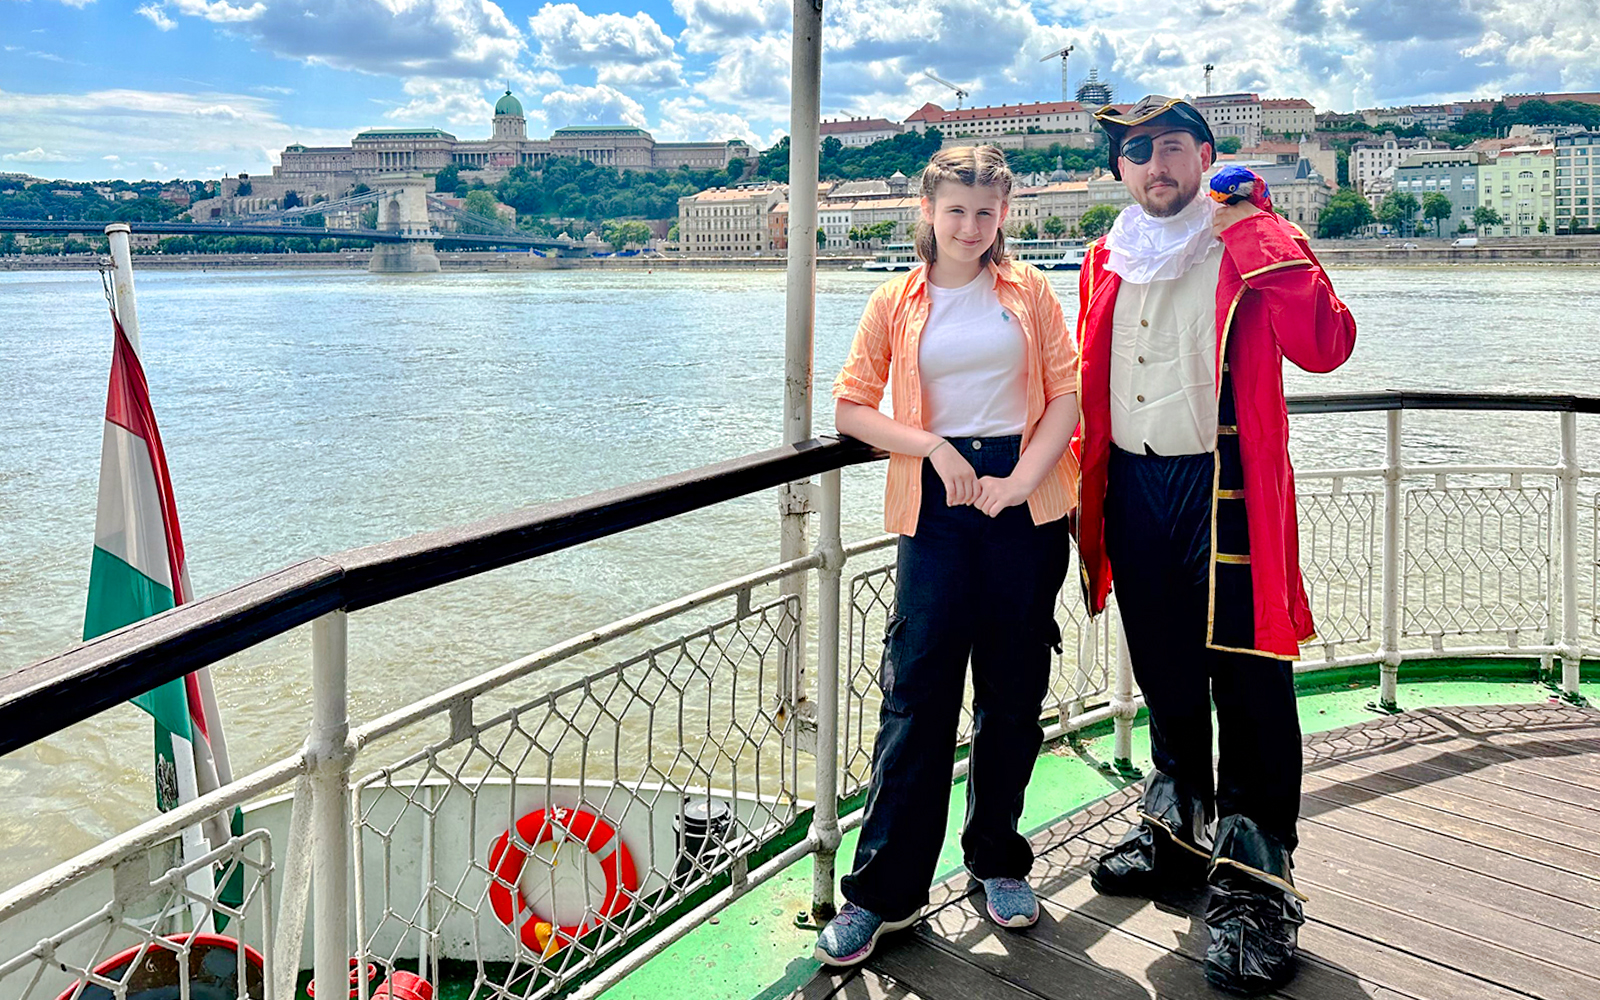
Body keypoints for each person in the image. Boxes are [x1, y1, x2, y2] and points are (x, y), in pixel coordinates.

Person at [1072, 96, 1357, 995]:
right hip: (1133, 486)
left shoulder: (1248, 246)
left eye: (1171, 149)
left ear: (1205, 156)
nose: (1155, 165)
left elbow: (1328, 346)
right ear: (1120, 169)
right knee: (1164, 673)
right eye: (1136, 152)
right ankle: (1180, 836)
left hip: (1222, 485)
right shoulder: (1101, 258)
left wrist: (1256, 231)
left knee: (1250, 682)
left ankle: (1258, 885)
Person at [814, 145, 1080, 966]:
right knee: (918, 695)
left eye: (986, 212)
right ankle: (883, 893)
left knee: (1012, 691)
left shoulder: (1028, 290)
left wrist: (1018, 480)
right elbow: (854, 408)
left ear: (1006, 213)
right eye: (956, 211)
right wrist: (931, 445)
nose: (970, 227)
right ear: (927, 211)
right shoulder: (896, 298)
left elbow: (1065, 394)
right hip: (934, 503)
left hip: (1024, 501)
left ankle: (996, 858)